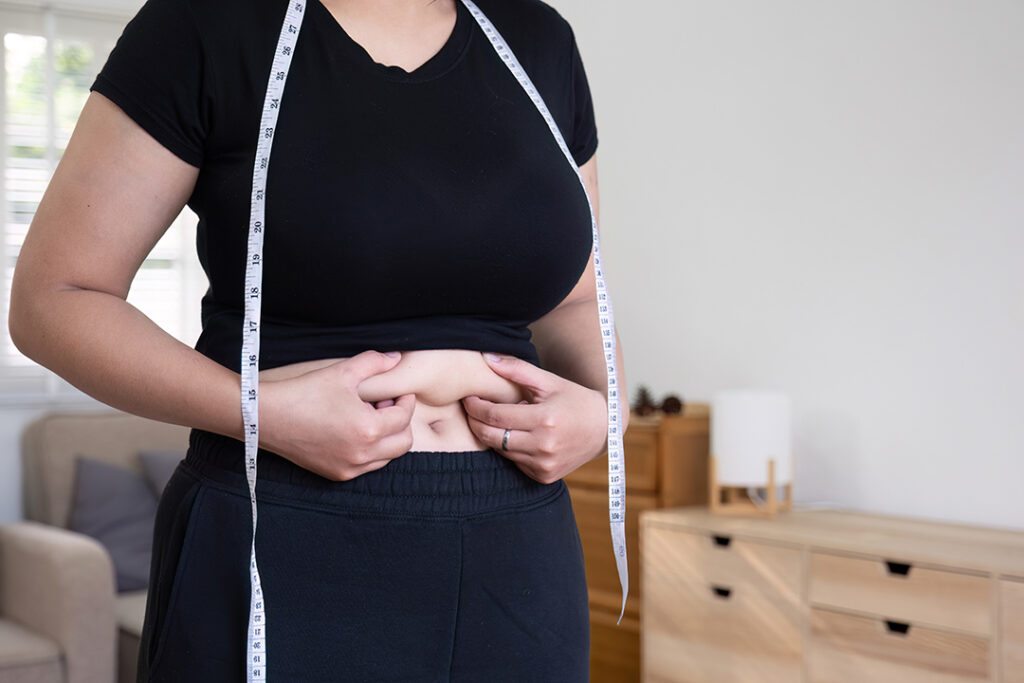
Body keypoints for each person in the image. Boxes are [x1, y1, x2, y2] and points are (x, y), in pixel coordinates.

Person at [8, 0, 628, 679]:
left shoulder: (540, 41)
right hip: (283, 528)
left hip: (517, 550)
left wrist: (605, 412)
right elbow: (54, 300)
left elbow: (575, 299)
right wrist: (262, 412)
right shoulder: (204, 24)